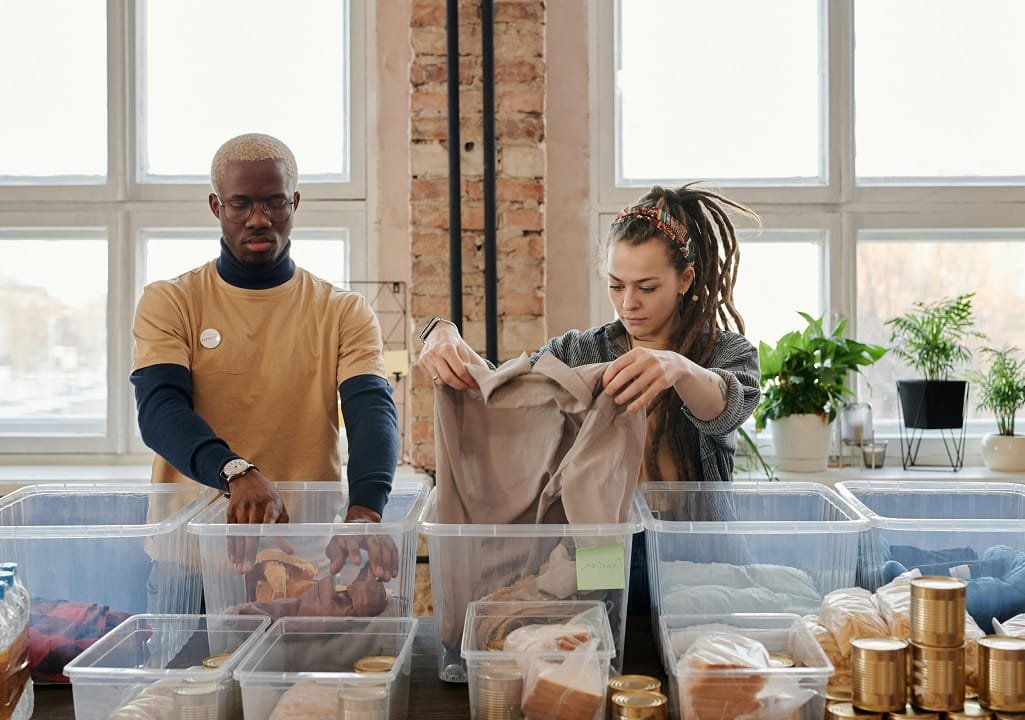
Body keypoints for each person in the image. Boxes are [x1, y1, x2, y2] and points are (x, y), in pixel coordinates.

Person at [418, 183, 761, 611]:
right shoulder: (582, 351)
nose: (628, 303)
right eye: (616, 286)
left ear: (684, 279)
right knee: (605, 643)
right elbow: (504, 393)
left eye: (647, 288)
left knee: (695, 660)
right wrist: (441, 332)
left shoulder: (726, 353)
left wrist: (679, 367)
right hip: (600, 556)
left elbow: (726, 408)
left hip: (698, 556)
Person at [130, 133, 400, 579]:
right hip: (191, 562)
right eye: (241, 204)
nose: (258, 219)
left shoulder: (341, 310)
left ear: (294, 203)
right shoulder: (171, 301)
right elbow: (160, 409)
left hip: (303, 559)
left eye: (274, 203)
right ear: (217, 207)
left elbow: (371, 409)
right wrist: (234, 471)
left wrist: (366, 509)